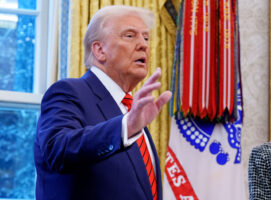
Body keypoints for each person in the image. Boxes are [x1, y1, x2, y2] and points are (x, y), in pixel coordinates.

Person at [34, 5, 171, 200]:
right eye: (130, 36)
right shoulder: (68, 92)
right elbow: (58, 150)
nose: (144, 45)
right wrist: (126, 127)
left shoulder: (129, 109)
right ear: (99, 50)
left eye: (146, 38)